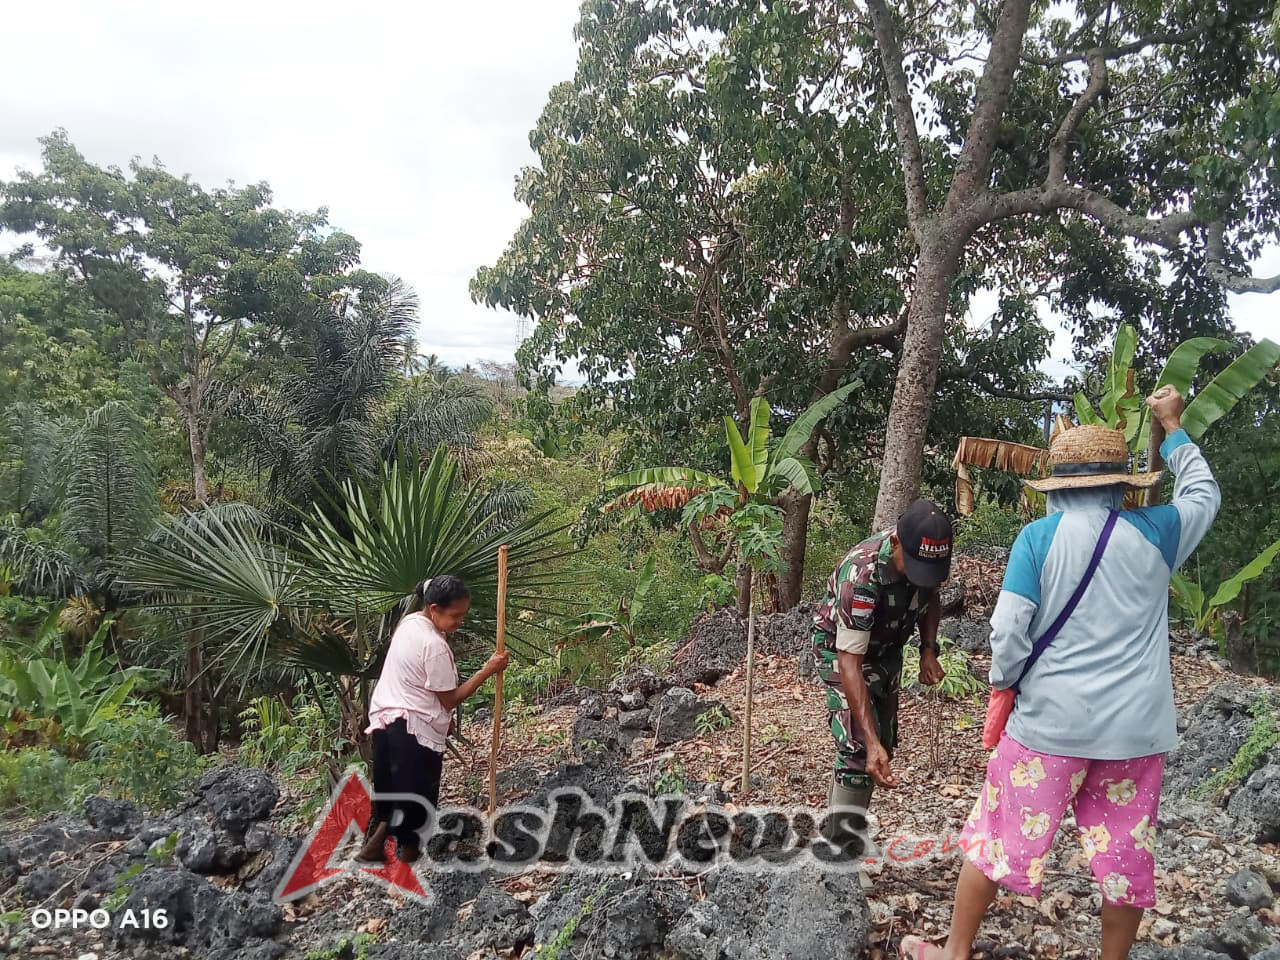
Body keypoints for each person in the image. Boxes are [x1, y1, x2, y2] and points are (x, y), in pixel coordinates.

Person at [901, 386, 1220, 960]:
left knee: (996, 840)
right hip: (1136, 735)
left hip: (1049, 729)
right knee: (1126, 856)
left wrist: (1011, 680)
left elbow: (1008, 632)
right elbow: (1203, 493)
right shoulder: (1158, 532)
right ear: (1121, 485)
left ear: (1059, 488)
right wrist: (1172, 428)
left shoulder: (1038, 539)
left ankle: (953, 954)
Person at [812, 498, 954, 836]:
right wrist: (870, 740)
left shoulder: (926, 554)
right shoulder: (860, 578)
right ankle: (841, 856)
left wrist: (928, 649)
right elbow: (850, 663)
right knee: (862, 747)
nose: (924, 575)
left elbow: (930, 594)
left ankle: (838, 828)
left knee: (884, 745)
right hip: (841, 651)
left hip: (887, 646)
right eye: (915, 565)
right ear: (894, 545)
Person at [355, 575, 508, 864]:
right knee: (417, 797)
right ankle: (408, 862)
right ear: (434, 608)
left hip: (387, 718)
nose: (459, 622)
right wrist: (489, 669)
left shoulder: (411, 623)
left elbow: (420, 685)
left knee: (396, 790)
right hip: (411, 727)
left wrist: (442, 716)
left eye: (463, 614)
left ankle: (375, 847)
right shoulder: (433, 645)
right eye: (455, 616)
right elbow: (449, 698)